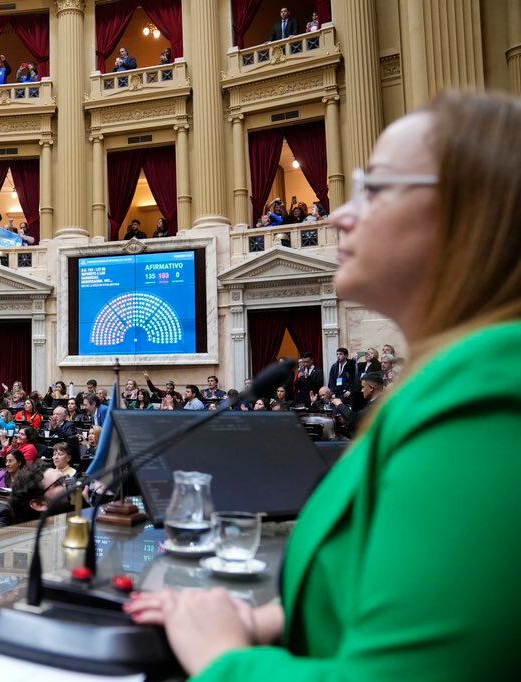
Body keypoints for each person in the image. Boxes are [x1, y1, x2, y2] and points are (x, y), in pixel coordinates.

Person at [125, 91, 521, 680]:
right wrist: (273, 620)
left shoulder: (488, 404)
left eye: (377, 188)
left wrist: (223, 658)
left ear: (472, 212)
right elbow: (390, 584)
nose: (338, 214)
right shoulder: (443, 384)